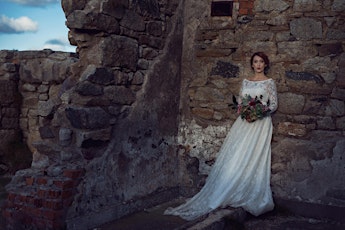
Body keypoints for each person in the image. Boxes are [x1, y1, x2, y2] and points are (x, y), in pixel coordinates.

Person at [164, 52, 278, 220]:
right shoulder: (246, 82)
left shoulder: (269, 83)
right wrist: (245, 110)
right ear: (252, 64)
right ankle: (226, 188)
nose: (258, 64)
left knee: (255, 156)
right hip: (245, 122)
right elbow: (241, 101)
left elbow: (274, 104)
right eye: (255, 61)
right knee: (236, 155)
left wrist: (260, 112)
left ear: (265, 64)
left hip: (260, 124)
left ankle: (248, 190)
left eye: (261, 61)